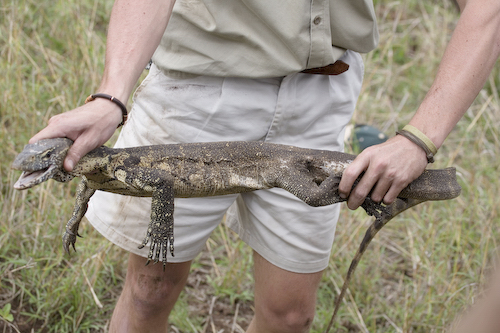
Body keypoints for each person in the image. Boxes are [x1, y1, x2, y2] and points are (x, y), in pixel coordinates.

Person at [29, 0, 500, 332]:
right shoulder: (96, 169)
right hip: (200, 86)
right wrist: (112, 96)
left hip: (321, 93)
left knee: (291, 316)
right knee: (149, 291)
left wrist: (418, 138)